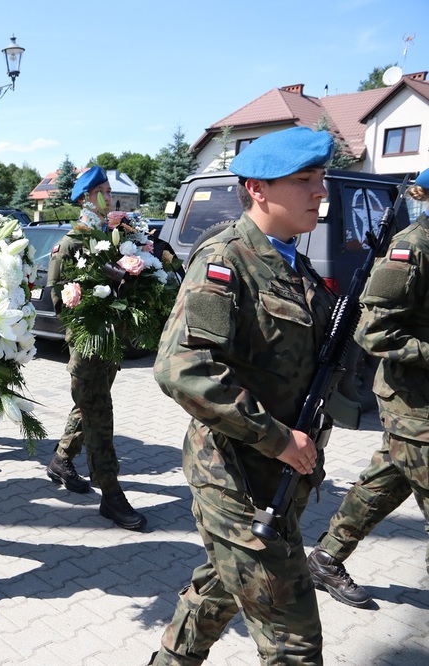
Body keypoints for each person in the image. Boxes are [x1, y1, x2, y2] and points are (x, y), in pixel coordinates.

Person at [150, 127, 339, 665]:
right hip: (234, 475)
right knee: (294, 643)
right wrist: (279, 439)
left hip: (278, 477)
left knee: (217, 590)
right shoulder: (227, 261)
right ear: (258, 188)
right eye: (304, 180)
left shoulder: (291, 265)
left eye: (319, 179)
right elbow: (182, 370)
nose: (319, 192)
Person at [306, 168, 429, 609]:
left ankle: (325, 556)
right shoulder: (410, 248)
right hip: (414, 402)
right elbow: (374, 331)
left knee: (388, 478)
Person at [44, 165, 146, 530]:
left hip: (112, 342)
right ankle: (111, 494)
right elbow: (59, 300)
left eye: (109, 189)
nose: (109, 195)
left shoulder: (118, 236)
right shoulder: (72, 244)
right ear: (87, 197)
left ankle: (61, 460)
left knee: (87, 405)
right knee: (100, 414)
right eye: (101, 190)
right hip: (88, 347)